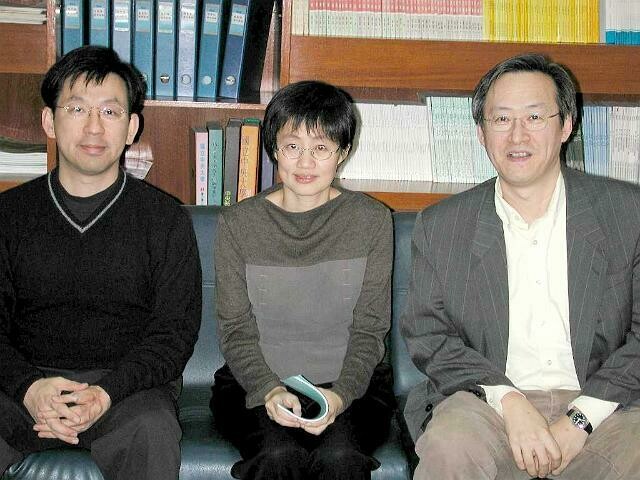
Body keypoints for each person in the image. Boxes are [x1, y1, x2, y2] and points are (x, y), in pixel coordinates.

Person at [401, 53, 640, 480]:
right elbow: (428, 335)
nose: (517, 135)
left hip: (608, 404)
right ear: (481, 133)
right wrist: (510, 402)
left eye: (534, 117)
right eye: (501, 119)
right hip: (486, 403)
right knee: (449, 447)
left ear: (566, 126)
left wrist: (582, 418)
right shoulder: (443, 226)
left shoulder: (627, 213)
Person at [0, 45, 202, 479]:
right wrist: (29, 388)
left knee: (152, 430)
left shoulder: (165, 220)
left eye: (110, 112)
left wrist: (105, 393)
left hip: (124, 391)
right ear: (49, 121)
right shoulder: (9, 215)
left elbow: (173, 335)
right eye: (77, 109)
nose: (94, 127)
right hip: (26, 385)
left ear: (132, 128)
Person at [212, 80, 395, 480]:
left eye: (321, 148)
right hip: (257, 381)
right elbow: (235, 329)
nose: (306, 162)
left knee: (340, 457)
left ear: (342, 153)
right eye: (293, 146)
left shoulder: (371, 221)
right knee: (277, 456)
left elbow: (370, 328)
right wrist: (269, 389)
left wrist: (341, 395)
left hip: (353, 384)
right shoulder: (239, 224)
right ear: (274, 149)